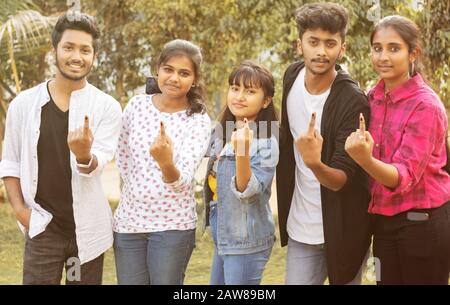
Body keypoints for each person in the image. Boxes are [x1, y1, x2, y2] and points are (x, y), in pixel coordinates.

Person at [0, 13, 122, 285]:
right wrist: (22, 212)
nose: (76, 56)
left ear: (95, 56)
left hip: (85, 237)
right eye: (69, 47)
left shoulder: (107, 107)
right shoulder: (24, 105)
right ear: (53, 51)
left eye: (85, 50)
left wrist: (83, 155)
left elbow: (99, 161)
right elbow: (10, 164)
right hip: (43, 231)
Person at [345, 15, 450, 285]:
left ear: (412, 53)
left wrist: (364, 160)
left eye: (394, 48)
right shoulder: (373, 98)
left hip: (421, 226)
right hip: (383, 225)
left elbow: (402, 177)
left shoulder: (426, 106)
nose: (383, 56)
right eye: (377, 48)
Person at [276, 2, 372, 285]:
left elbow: (341, 179)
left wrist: (314, 162)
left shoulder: (353, 100)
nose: (321, 51)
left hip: (345, 231)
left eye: (330, 43)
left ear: (341, 48)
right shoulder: (291, 76)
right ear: (299, 44)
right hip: (300, 228)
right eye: (313, 42)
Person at [113, 39, 211, 285]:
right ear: (157, 69)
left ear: (195, 79)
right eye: (168, 69)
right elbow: (123, 159)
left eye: (184, 73)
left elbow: (184, 181)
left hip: (172, 227)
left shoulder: (197, 120)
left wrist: (166, 163)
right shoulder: (136, 105)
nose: (174, 78)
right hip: (129, 224)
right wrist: (138, 193)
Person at [203, 61, 279, 285]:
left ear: (266, 100)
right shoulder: (222, 132)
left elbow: (249, 192)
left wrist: (242, 153)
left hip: (247, 240)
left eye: (250, 91)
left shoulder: (266, 140)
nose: (240, 96)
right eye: (235, 88)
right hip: (224, 235)